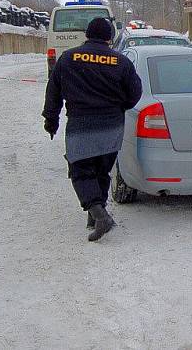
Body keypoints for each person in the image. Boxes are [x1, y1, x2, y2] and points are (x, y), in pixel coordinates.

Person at [42, 17, 142, 241]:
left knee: (81, 171)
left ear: (87, 35)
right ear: (109, 38)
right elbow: (134, 93)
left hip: (81, 125)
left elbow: (53, 92)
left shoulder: (68, 58)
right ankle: (94, 215)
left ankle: (100, 215)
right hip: (111, 126)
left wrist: (51, 119)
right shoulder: (121, 62)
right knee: (101, 171)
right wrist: (117, 108)